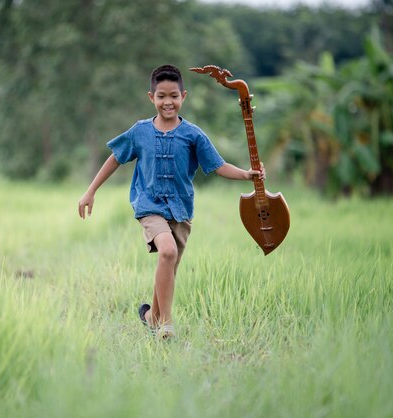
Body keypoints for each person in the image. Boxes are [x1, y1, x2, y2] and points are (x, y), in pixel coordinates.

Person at [77, 64, 265, 339]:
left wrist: (247, 175)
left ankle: (152, 316)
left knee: (169, 264)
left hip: (181, 209)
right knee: (167, 252)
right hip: (149, 204)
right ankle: (166, 324)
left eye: (174, 96)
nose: (168, 102)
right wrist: (90, 191)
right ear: (151, 97)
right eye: (161, 96)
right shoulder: (140, 131)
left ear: (183, 96)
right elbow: (116, 157)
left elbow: (218, 165)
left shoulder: (193, 135)